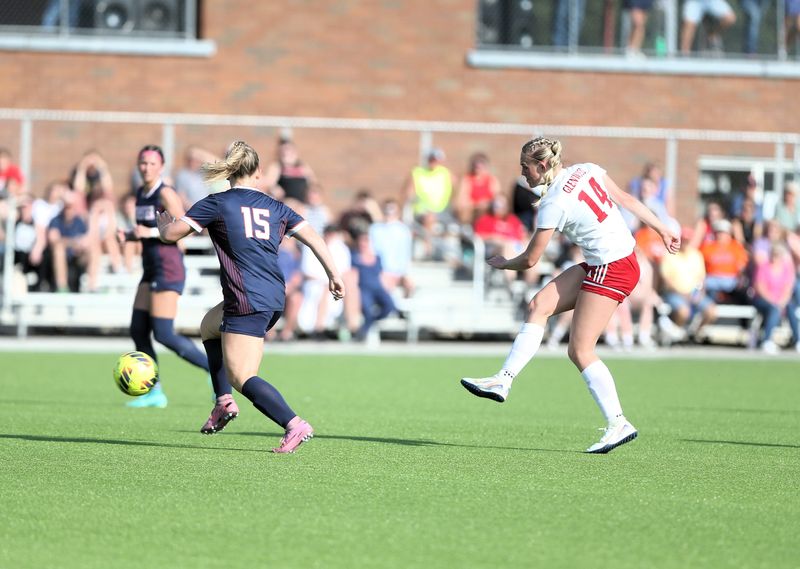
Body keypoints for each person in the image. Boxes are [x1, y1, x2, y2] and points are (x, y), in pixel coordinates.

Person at [461, 136, 679, 454]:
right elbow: (626, 200)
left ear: (543, 165)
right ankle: (503, 380)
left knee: (580, 350)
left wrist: (504, 263)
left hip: (612, 266)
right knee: (539, 305)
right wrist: (662, 227)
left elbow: (531, 260)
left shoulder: (553, 204)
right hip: (611, 260)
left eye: (526, 167)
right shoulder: (586, 169)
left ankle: (618, 422)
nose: (523, 174)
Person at [157, 140, 345, 453]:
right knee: (208, 326)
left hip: (246, 297)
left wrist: (164, 228)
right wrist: (334, 275)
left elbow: (174, 234)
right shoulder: (276, 206)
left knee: (243, 376)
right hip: (273, 295)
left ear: (229, 172)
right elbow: (314, 238)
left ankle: (293, 423)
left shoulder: (217, 202)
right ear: (257, 174)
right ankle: (223, 401)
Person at [118, 145, 210, 408]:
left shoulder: (166, 192)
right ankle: (153, 391)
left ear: (161, 167)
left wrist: (146, 234)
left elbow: (183, 229)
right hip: (150, 268)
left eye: (151, 163)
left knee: (164, 334)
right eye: (142, 163)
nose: (146, 167)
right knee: (138, 329)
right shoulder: (140, 193)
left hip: (168, 268)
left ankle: (215, 370)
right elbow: (148, 227)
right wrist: (129, 235)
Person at [751, 244, 796, 354]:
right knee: (774, 309)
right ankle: (767, 340)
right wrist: (773, 301)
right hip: (764, 300)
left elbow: (788, 288)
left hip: (781, 300)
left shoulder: (786, 268)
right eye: (774, 254)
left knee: (790, 307)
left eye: (778, 255)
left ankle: (798, 340)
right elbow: (760, 287)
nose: (776, 257)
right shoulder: (764, 267)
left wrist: (783, 301)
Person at [263, 138, 317, 204]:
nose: (287, 153)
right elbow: (268, 184)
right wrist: (274, 188)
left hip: (303, 205)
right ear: (279, 153)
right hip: (285, 204)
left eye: (289, 150)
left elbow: (314, 184)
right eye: (283, 151)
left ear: (295, 152)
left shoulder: (303, 166)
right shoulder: (276, 166)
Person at [454, 152, 500, 224]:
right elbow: (461, 202)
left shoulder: (492, 180)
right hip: (472, 212)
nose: (479, 167)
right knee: (465, 211)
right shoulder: (467, 179)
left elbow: (498, 200)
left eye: (482, 163)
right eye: (476, 164)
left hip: (488, 210)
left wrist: (486, 203)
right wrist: (477, 204)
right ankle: (466, 228)